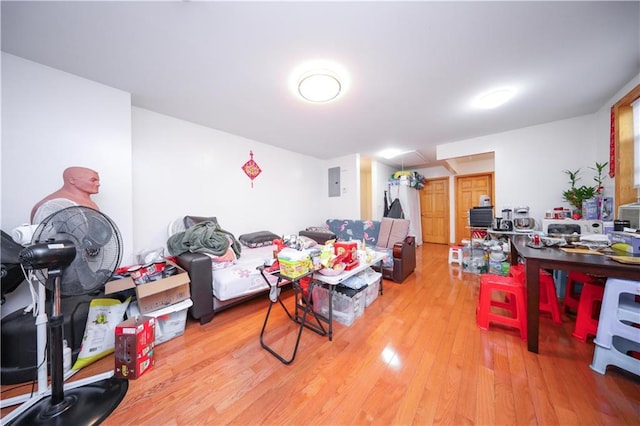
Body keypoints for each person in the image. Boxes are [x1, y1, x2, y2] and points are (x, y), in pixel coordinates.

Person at [30, 167, 100, 223]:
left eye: (98, 181)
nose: (98, 184)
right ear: (72, 180)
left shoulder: (87, 202)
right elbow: (43, 236)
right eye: (93, 180)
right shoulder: (50, 205)